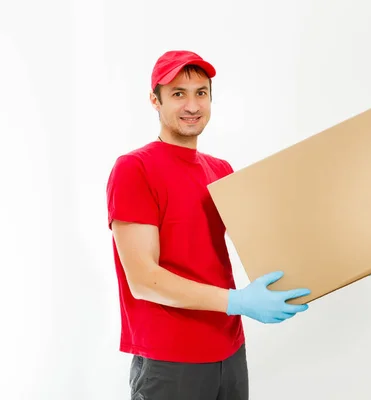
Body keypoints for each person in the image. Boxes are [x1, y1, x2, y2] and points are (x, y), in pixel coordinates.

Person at [105, 50, 312, 400]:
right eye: (178, 94)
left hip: (229, 351)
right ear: (154, 100)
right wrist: (237, 301)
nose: (192, 105)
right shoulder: (134, 169)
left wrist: (344, 254)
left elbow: (265, 238)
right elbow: (143, 279)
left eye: (201, 92)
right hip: (169, 360)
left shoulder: (220, 170)